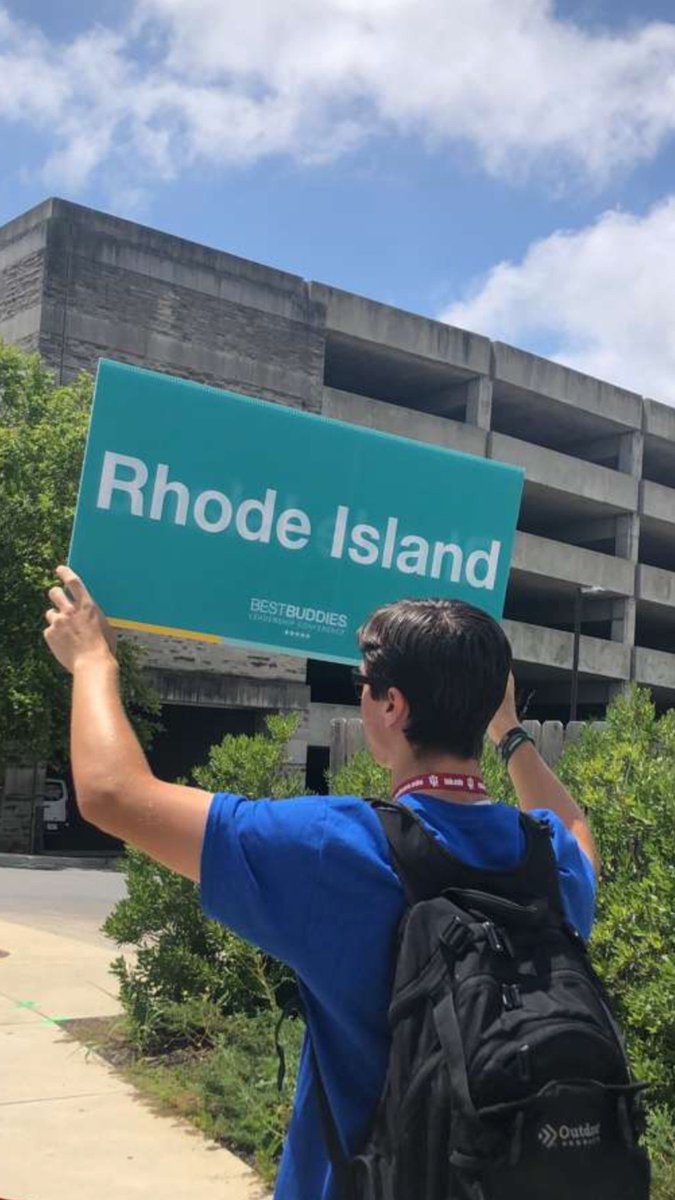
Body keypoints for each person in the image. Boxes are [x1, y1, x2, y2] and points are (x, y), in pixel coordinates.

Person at [43, 566, 599, 1200]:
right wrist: (511, 731)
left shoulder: (336, 846)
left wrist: (92, 661)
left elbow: (114, 795)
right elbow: (577, 828)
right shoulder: (545, 859)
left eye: (361, 685)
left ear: (393, 705)